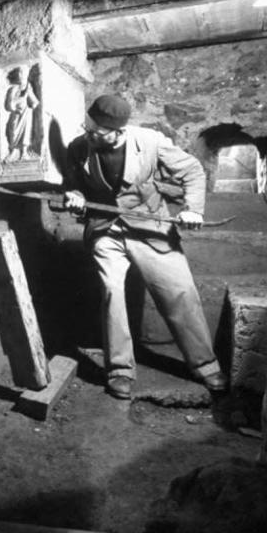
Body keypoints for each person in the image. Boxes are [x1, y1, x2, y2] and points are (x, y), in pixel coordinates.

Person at [60, 93, 228, 400]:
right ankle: (120, 369)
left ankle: (205, 364)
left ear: (119, 132)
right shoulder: (78, 148)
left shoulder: (150, 142)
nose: (89, 136)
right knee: (112, 291)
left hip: (149, 227)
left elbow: (192, 170)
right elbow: (73, 186)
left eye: (97, 133)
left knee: (179, 290)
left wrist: (193, 210)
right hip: (105, 229)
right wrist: (75, 198)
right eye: (88, 128)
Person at [3, 66, 40, 162]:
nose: (21, 76)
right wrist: (15, 106)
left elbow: (34, 102)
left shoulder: (28, 88)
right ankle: (13, 151)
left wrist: (33, 103)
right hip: (16, 114)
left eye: (23, 74)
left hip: (26, 114)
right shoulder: (13, 89)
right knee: (13, 132)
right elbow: (9, 104)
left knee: (26, 131)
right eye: (19, 74)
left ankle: (24, 152)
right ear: (17, 76)